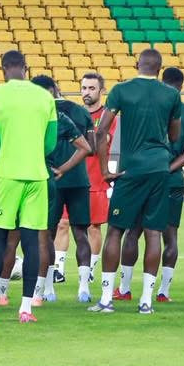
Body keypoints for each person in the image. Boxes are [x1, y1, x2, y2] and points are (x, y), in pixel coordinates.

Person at [90, 48, 182, 315]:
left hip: (130, 169)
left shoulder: (121, 90)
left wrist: (105, 169)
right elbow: (174, 135)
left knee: (116, 230)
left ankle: (106, 299)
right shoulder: (171, 95)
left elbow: (101, 131)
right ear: (159, 68)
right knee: (153, 233)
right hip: (160, 168)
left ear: (137, 64)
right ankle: (146, 301)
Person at [0, 51, 55, 324]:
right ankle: (26, 309)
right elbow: (50, 143)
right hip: (37, 176)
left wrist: (9, 156)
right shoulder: (45, 96)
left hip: (7, 175)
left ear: (4, 68)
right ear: (26, 67)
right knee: (31, 242)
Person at [34, 74, 92, 305]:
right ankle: (84, 288)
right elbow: (90, 146)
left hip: (52, 179)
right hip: (79, 179)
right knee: (81, 233)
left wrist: (60, 169)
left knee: (47, 234)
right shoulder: (81, 112)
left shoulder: (40, 113)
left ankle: (47, 289)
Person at [157, 66, 184, 303]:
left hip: (148, 176)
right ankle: (164, 291)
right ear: (181, 86)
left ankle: (125, 287)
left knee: (135, 232)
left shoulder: (153, 108)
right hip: (174, 180)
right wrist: (170, 169)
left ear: (161, 82)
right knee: (170, 235)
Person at [78, 71, 112, 300]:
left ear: (101, 91)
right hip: (75, 176)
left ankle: (90, 269)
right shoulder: (75, 113)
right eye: (84, 88)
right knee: (62, 224)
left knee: (93, 227)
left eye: (91, 88)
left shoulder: (108, 115)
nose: (86, 92)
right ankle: (58, 270)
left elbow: (103, 140)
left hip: (96, 179)